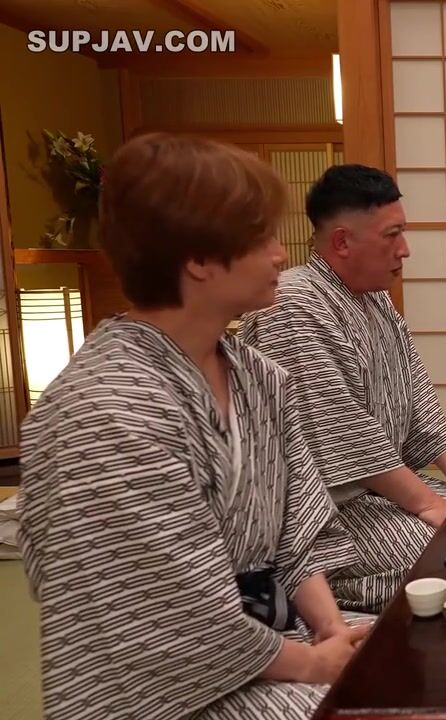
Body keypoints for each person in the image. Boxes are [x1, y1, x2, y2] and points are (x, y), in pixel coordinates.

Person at [17, 133, 369, 720]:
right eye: (261, 238)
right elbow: (168, 615)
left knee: (412, 660)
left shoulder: (259, 376)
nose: (281, 256)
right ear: (199, 259)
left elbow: (297, 528)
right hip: (161, 688)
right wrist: (313, 665)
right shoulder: (107, 409)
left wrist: (331, 631)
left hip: (271, 642)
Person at [239, 164, 446, 612]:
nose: (405, 250)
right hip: (329, 510)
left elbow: (416, 390)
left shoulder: (375, 297)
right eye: (392, 235)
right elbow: (342, 433)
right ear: (342, 242)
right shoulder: (293, 303)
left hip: (383, 491)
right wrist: (428, 506)